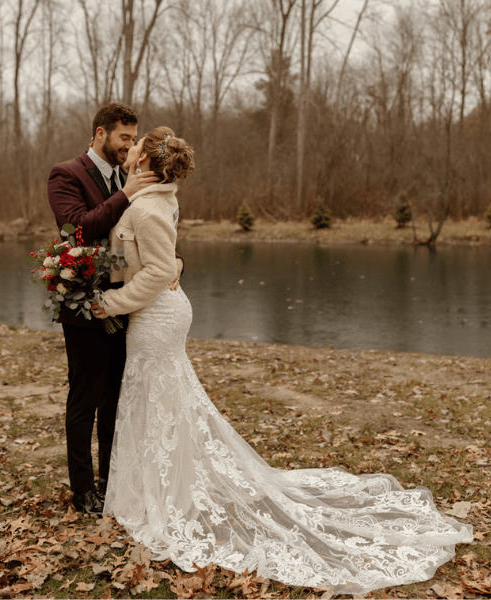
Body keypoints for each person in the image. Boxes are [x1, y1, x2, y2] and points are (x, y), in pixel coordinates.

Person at [91, 126, 473, 595]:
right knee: (162, 400)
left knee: (160, 399)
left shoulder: (148, 207)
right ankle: (160, 488)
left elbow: (158, 270)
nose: (127, 153)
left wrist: (109, 304)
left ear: (146, 164)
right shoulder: (154, 198)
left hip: (156, 318)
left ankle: (165, 496)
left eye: (136, 150)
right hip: (157, 315)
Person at [47, 103, 170, 515]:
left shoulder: (126, 175)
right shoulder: (66, 174)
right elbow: (76, 227)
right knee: (86, 398)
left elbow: (147, 233)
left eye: (133, 139)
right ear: (100, 133)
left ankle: (110, 481)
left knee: (115, 398)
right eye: (123, 137)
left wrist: (175, 264)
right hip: (83, 306)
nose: (129, 145)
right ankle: (83, 493)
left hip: (124, 304)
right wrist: (126, 194)